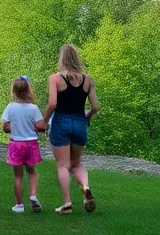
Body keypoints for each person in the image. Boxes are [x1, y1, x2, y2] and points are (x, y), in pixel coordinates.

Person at [43, 44, 100, 214]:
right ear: (76, 58)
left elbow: (52, 104)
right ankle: (86, 187)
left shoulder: (55, 79)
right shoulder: (87, 80)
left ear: (61, 59)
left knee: (63, 165)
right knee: (76, 163)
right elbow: (96, 107)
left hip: (60, 122)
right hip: (80, 123)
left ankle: (67, 202)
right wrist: (87, 117)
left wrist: (44, 121)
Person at [1, 76, 47, 213]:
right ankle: (32, 195)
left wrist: (15, 126)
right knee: (32, 172)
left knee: (18, 176)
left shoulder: (10, 107)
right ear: (28, 90)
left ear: (14, 91)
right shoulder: (33, 108)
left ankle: (19, 205)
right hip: (31, 143)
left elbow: (5, 128)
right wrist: (34, 126)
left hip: (16, 144)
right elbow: (42, 127)